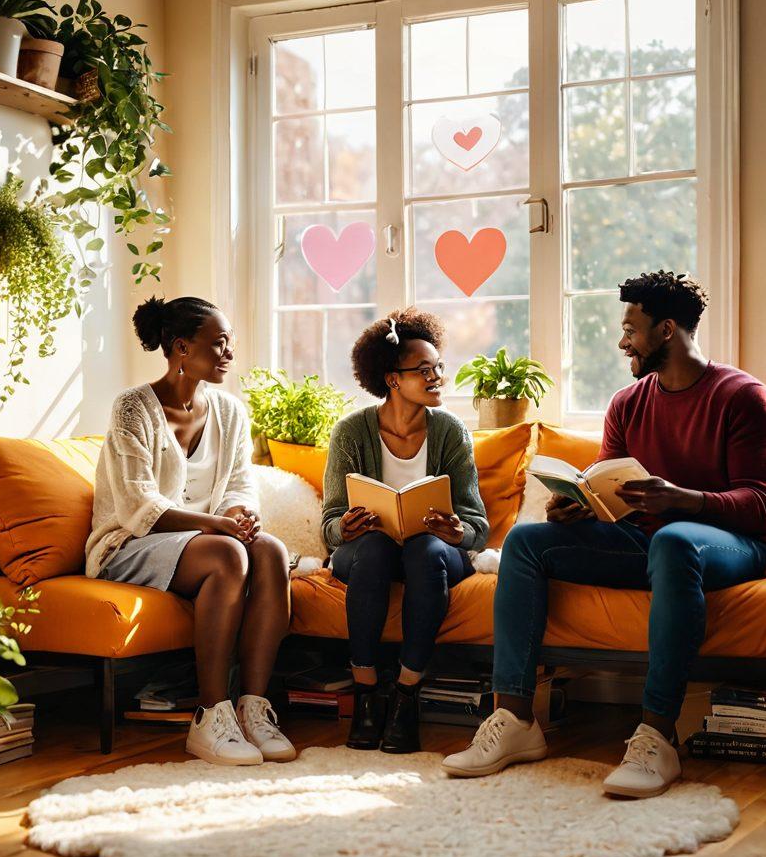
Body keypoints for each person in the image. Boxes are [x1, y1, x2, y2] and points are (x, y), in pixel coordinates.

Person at [443, 271, 766, 798]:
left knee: (674, 541)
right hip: (646, 544)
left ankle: (657, 735)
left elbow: (763, 505)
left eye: (631, 328)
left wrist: (684, 500)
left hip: (731, 545)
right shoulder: (628, 403)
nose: (622, 339)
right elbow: (607, 489)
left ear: (667, 329)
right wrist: (581, 507)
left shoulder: (743, 397)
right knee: (526, 541)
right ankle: (515, 719)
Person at [87, 296, 295, 767]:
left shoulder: (229, 411)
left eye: (230, 344)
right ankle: (209, 716)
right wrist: (219, 526)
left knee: (271, 551)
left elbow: (239, 483)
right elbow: (140, 506)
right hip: (130, 545)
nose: (228, 354)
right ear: (181, 347)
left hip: (203, 541)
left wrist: (240, 513)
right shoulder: (131, 409)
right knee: (229, 555)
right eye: (218, 344)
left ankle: (251, 711)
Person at [322, 308, 489, 754]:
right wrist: (346, 525)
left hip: (431, 552)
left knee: (425, 550)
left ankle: (405, 695)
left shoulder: (451, 431)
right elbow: (330, 523)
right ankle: (366, 695)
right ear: (392, 378)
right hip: (368, 550)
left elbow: (477, 523)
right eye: (424, 370)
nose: (437, 377)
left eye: (439, 368)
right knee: (375, 548)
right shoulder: (351, 432)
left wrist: (457, 532)